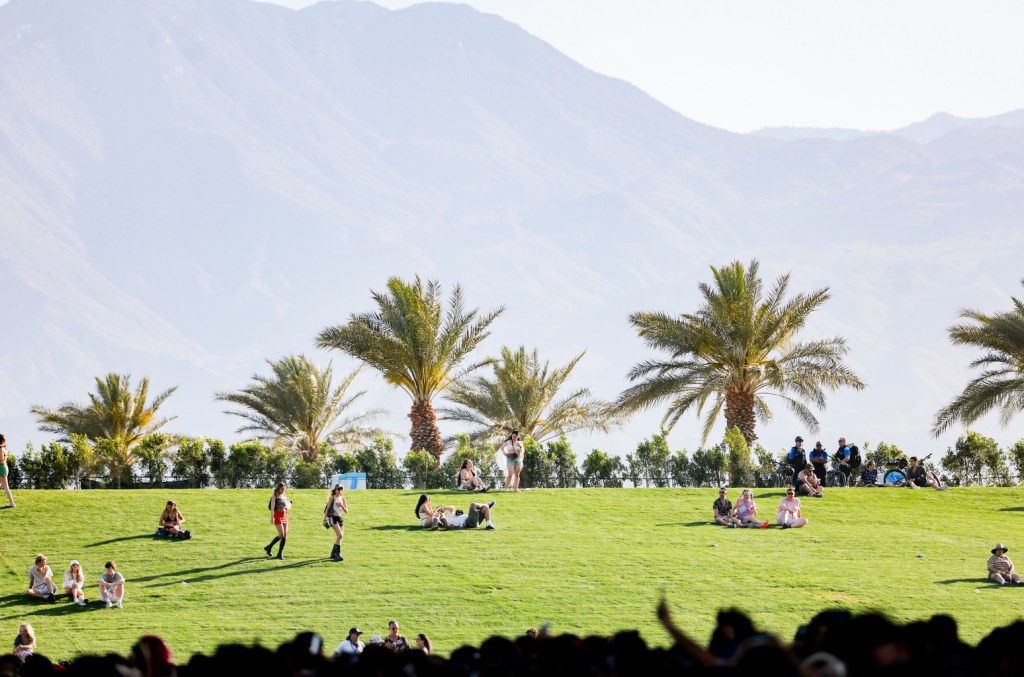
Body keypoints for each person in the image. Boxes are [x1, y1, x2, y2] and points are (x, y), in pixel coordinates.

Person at [322, 484, 349, 562]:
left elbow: (346, 511)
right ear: (335, 490)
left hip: (340, 518)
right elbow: (327, 509)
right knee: (340, 535)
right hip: (333, 518)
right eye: (338, 489)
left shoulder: (343, 499)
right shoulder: (332, 498)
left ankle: (334, 553)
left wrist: (341, 505)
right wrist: (324, 520)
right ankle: (337, 554)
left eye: (341, 489)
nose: (340, 490)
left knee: (340, 536)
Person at [265, 482, 290, 559]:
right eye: (282, 489)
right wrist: (272, 517)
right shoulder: (275, 496)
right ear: (278, 489)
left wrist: (287, 505)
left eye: (284, 489)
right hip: (277, 516)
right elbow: (272, 508)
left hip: (284, 515)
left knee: (285, 535)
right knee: (281, 534)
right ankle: (269, 547)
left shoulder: (285, 496)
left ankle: (280, 554)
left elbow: (287, 506)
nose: (283, 490)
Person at [0, 434, 14, 508]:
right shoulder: (4, 448)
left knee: (6, 486)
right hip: (3, 468)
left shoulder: (1, 448)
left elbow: (1, 459)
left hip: (1, 468)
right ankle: (11, 502)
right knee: (4, 486)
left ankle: (12, 502)